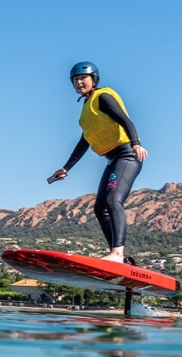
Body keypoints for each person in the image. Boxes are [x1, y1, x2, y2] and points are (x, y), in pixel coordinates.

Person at [49, 62, 148, 264]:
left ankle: (117, 253)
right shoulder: (87, 109)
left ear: (94, 79)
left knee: (113, 200)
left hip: (127, 155)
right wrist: (66, 167)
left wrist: (136, 143)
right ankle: (121, 259)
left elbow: (124, 119)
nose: (79, 82)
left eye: (82, 78)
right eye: (75, 80)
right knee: (100, 208)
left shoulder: (102, 97)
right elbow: (85, 140)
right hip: (112, 159)